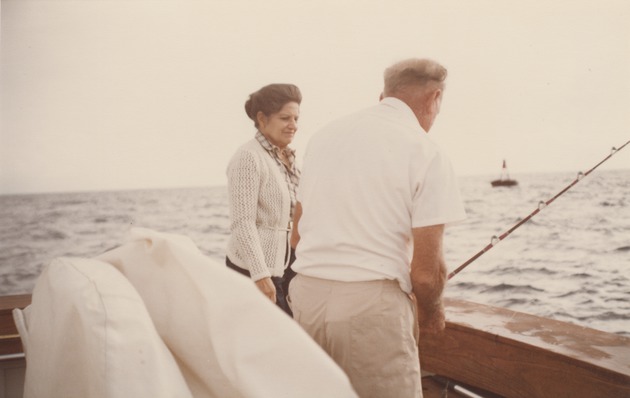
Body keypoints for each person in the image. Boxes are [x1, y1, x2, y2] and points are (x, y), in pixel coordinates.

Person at [288, 58, 466, 397]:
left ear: (384, 93)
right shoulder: (427, 151)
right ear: (434, 98)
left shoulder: (324, 137)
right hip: (370, 309)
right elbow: (427, 275)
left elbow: (296, 236)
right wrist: (431, 314)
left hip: (307, 300)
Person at [225, 83, 301, 316]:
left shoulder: (288, 158)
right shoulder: (248, 157)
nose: (293, 126)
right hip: (254, 270)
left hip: (286, 267)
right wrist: (260, 275)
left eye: (296, 118)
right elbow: (242, 222)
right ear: (262, 118)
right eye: (285, 118)